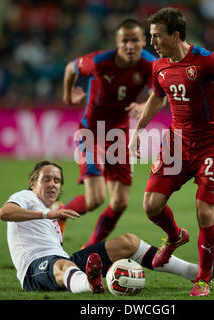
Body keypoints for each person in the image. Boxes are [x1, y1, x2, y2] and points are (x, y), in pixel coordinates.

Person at [128, 7, 214, 297]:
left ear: (175, 36)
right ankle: (175, 236)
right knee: (151, 205)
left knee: (204, 211)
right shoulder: (159, 66)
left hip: (210, 145)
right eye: (151, 36)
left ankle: (203, 278)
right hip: (176, 144)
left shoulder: (204, 59)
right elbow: (157, 96)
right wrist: (137, 130)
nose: (152, 43)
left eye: (157, 36)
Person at [0, 160, 214, 293]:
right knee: (62, 263)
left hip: (62, 263)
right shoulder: (26, 197)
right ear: (32, 183)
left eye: (57, 180)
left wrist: (54, 215)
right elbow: (4, 213)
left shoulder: (52, 209)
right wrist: (50, 213)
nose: (52, 184)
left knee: (129, 242)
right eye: (46, 179)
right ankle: (90, 284)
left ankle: (196, 272)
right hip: (34, 270)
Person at [62, 18, 165, 248]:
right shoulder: (99, 62)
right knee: (96, 198)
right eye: (125, 41)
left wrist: (142, 107)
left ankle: (89, 248)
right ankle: (59, 215)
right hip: (90, 133)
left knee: (119, 202)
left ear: (143, 42)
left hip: (119, 136)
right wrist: (68, 96)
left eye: (135, 40)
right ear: (117, 43)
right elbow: (71, 68)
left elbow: (159, 95)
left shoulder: (150, 64)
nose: (130, 45)